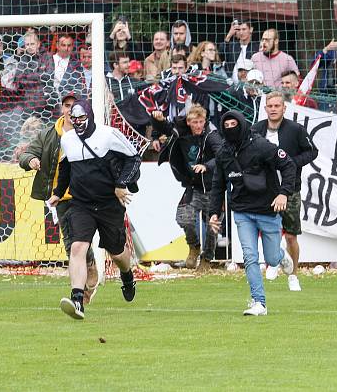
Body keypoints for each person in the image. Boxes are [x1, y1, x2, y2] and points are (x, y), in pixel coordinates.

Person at [47, 100, 141, 320]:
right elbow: (66, 166)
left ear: (89, 117)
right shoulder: (67, 139)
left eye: (82, 119)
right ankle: (78, 299)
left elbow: (133, 158)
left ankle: (127, 276)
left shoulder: (108, 134)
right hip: (81, 204)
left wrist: (120, 185)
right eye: (74, 119)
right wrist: (58, 193)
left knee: (117, 253)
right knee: (77, 247)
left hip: (109, 203)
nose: (78, 123)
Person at [208, 111, 296, 316]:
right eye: (226, 125)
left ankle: (281, 256)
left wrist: (284, 193)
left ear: (242, 124)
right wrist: (214, 213)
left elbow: (288, 164)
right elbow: (217, 185)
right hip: (241, 212)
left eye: (234, 124)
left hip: (268, 209)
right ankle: (259, 302)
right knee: (249, 256)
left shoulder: (262, 146)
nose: (231, 128)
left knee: (271, 259)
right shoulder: (223, 153)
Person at [18, 93, 99, 305]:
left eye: (74, 106)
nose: (70, 110)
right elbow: (26, 155)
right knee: (71, 243)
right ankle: (84, 279)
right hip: (59, 195)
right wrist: (32, 160)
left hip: (87, 195)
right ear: (62, 109)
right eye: (67, 106)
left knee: (83, 241)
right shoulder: (48, 135)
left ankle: (88, 279)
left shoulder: (91, 134)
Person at [252, 92, 319, 291]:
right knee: (266, 231)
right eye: (269, 106)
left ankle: (294, 275)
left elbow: (312, 151)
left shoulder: (296, 129)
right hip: (264, 190)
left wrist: (291, 163)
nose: (273, 109)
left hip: (290, 189)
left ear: (284, 108)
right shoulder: (256, 130)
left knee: (290, 235)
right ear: (265, 108)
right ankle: (271, 263)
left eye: (276, 106)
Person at [155, 104, 223, 271]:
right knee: (183, 218)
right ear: (188, 122)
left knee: (212, 226)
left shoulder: (211, 135)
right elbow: (167, 128)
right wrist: (158, 119)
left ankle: (207, 259)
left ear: (205, 121)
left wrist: (206, 166)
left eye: (201, 122)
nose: (198, 125)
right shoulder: (182, 133)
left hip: (213, 188)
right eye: (194, 122)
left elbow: (221, 154)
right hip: (194, 187)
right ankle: (194, 246)